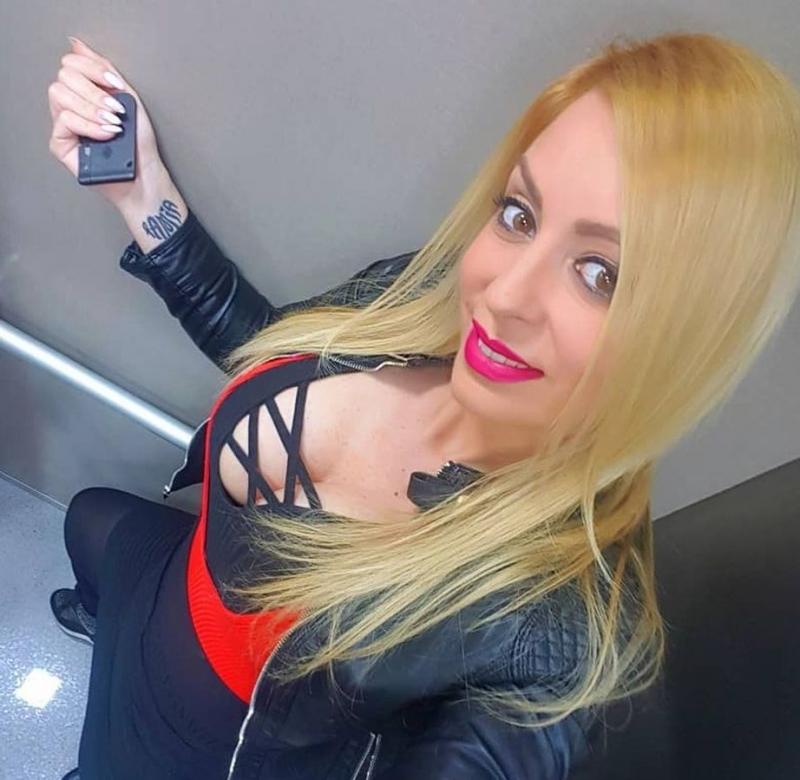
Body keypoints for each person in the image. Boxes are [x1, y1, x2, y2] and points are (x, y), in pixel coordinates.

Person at [45, 31, 800, 780]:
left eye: (601, 274)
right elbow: (271, 345)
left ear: (682, 342)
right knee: (88, 517)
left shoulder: (551, 644)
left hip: (200, 752)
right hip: (175, 592)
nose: (503, 294)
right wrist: (142, 194)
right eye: (520, 214)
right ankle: (101, 624)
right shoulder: (423, 296)